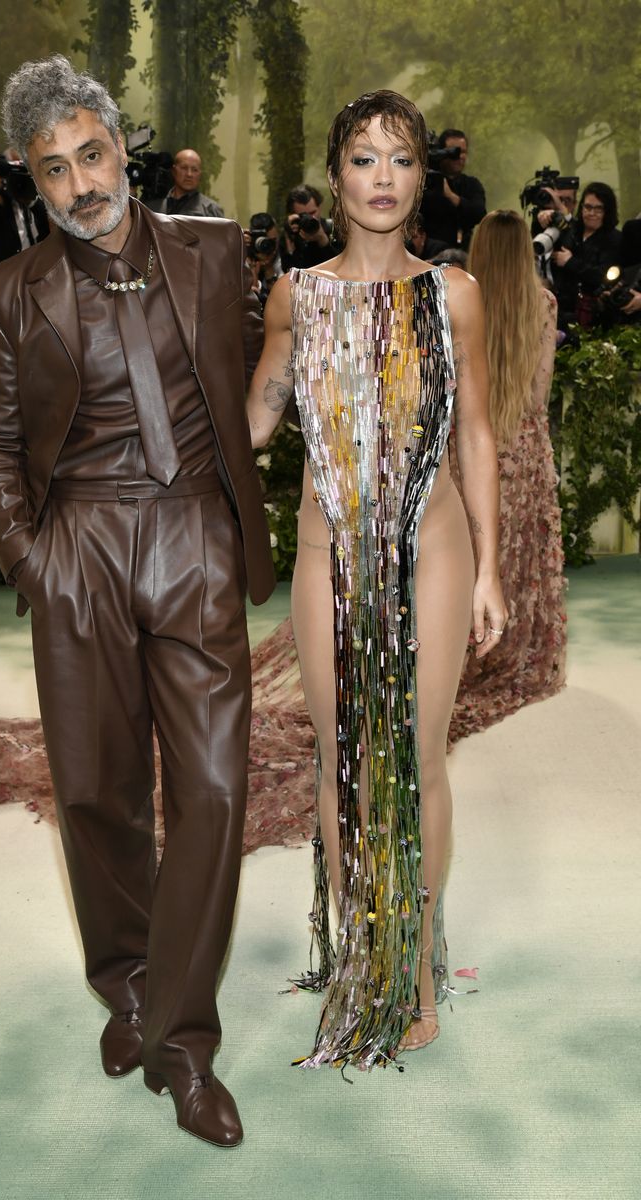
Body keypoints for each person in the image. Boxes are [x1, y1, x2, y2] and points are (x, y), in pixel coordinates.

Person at [0, 55, 273, 1148]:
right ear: (30, 180)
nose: (79, 183)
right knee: (97, 794)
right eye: (53, 170)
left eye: (90, 155)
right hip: (80, 544)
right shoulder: (9, 295)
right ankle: (127, 985)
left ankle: (184, 1043)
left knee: (211, 789)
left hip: (193, 532)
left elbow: (251, 387)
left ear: (120, 146)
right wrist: (33, 561)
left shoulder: (213, 249)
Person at [247, 90, 505, 1066]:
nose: (384, 177)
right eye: (364, 158)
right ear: (335, 173)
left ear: (421, 177)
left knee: (417, 756)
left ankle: (415, 970)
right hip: (326, 556)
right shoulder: (295, 297)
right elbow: (256, 425)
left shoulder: (453, 294)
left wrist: (486, 567)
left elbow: (473, 432)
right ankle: (363, 952)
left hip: (430, 551)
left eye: (400, 158)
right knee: (339, 758)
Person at [448, 211, 566, 743]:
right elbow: (539, 395)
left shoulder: (457, 302)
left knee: (467, 554)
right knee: (513, 555)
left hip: (468, 447)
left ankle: (455, 654)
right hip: (522, 445)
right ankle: (506, 651)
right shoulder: (541, 304)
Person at [551, 182, 622, 330]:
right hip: (562, 310)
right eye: (588, 207)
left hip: (594, 315)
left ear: (607, 211)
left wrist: (570, 262)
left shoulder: (614, 239)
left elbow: (604, 275)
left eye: (598, 209)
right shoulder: (572, 231)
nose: (591, 213)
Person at [420, 127, 486, 250]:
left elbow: (479, 213)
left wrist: (451, 196)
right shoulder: (424, 182)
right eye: (454, 152)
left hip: (462, 253)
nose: (459, 156)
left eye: (463, 152)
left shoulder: (471, 184)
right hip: (428, 254)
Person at [146, 148, 224, 217]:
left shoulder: (211, 209)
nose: (189, 174)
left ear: (199, 175)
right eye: (184, 168)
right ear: (174, 171)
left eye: (194, 170)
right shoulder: (153, 208)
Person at [280, 184, 337, 271]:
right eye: (303, 215)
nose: (310, 218)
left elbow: (338, 270)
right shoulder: (291, 235)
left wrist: (323, 239)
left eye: (313, 212)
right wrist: (289, 238)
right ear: (293, 215)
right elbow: (288, 273)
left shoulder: (334, 230)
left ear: (320, 207)